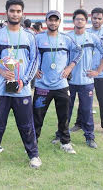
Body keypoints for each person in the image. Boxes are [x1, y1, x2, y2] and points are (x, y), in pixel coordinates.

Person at [0, 0, 40, 170]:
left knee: (26, 124)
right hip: (1, 89)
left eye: (18, 11)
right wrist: (0, 71)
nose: (15, 14)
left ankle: (33, 155)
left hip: (22, 89)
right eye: (12, 11)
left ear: (22, 14)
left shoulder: (30, 36)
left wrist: (24, 81)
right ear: (6, 12)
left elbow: (34, 61)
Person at [33, 10, 81, 153]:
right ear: (46, 21)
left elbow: (79, 51)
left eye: (56, 20)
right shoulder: (38, 38)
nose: (53, 23)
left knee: (64, 115)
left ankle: (65, 142)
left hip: (61, 85)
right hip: (42, 85)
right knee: (37, 115)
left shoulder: (66, 39)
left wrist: (70, 67)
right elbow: (30, 54)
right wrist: (34, 69)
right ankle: (33, 142)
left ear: (59, 22)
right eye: (50, 20)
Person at [71, 7, 103, 136]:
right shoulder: (86, 33)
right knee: (83, 100)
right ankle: (79, 123)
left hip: (102, 74)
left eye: (99, 18)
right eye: (94, 18)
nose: (96, 21)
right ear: (90, 19)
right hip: (86, 73)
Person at [66, 9, 103, 149]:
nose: (79, 21)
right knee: (66, 110)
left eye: (82, 19)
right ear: (73, 21)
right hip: (69, 82)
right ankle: (62, 135)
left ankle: (89, 137)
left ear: (86, 21)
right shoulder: (67, 37)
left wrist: (98, 71)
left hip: (86, 82)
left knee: (86, 110)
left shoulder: (92, 38)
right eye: (77, 19)